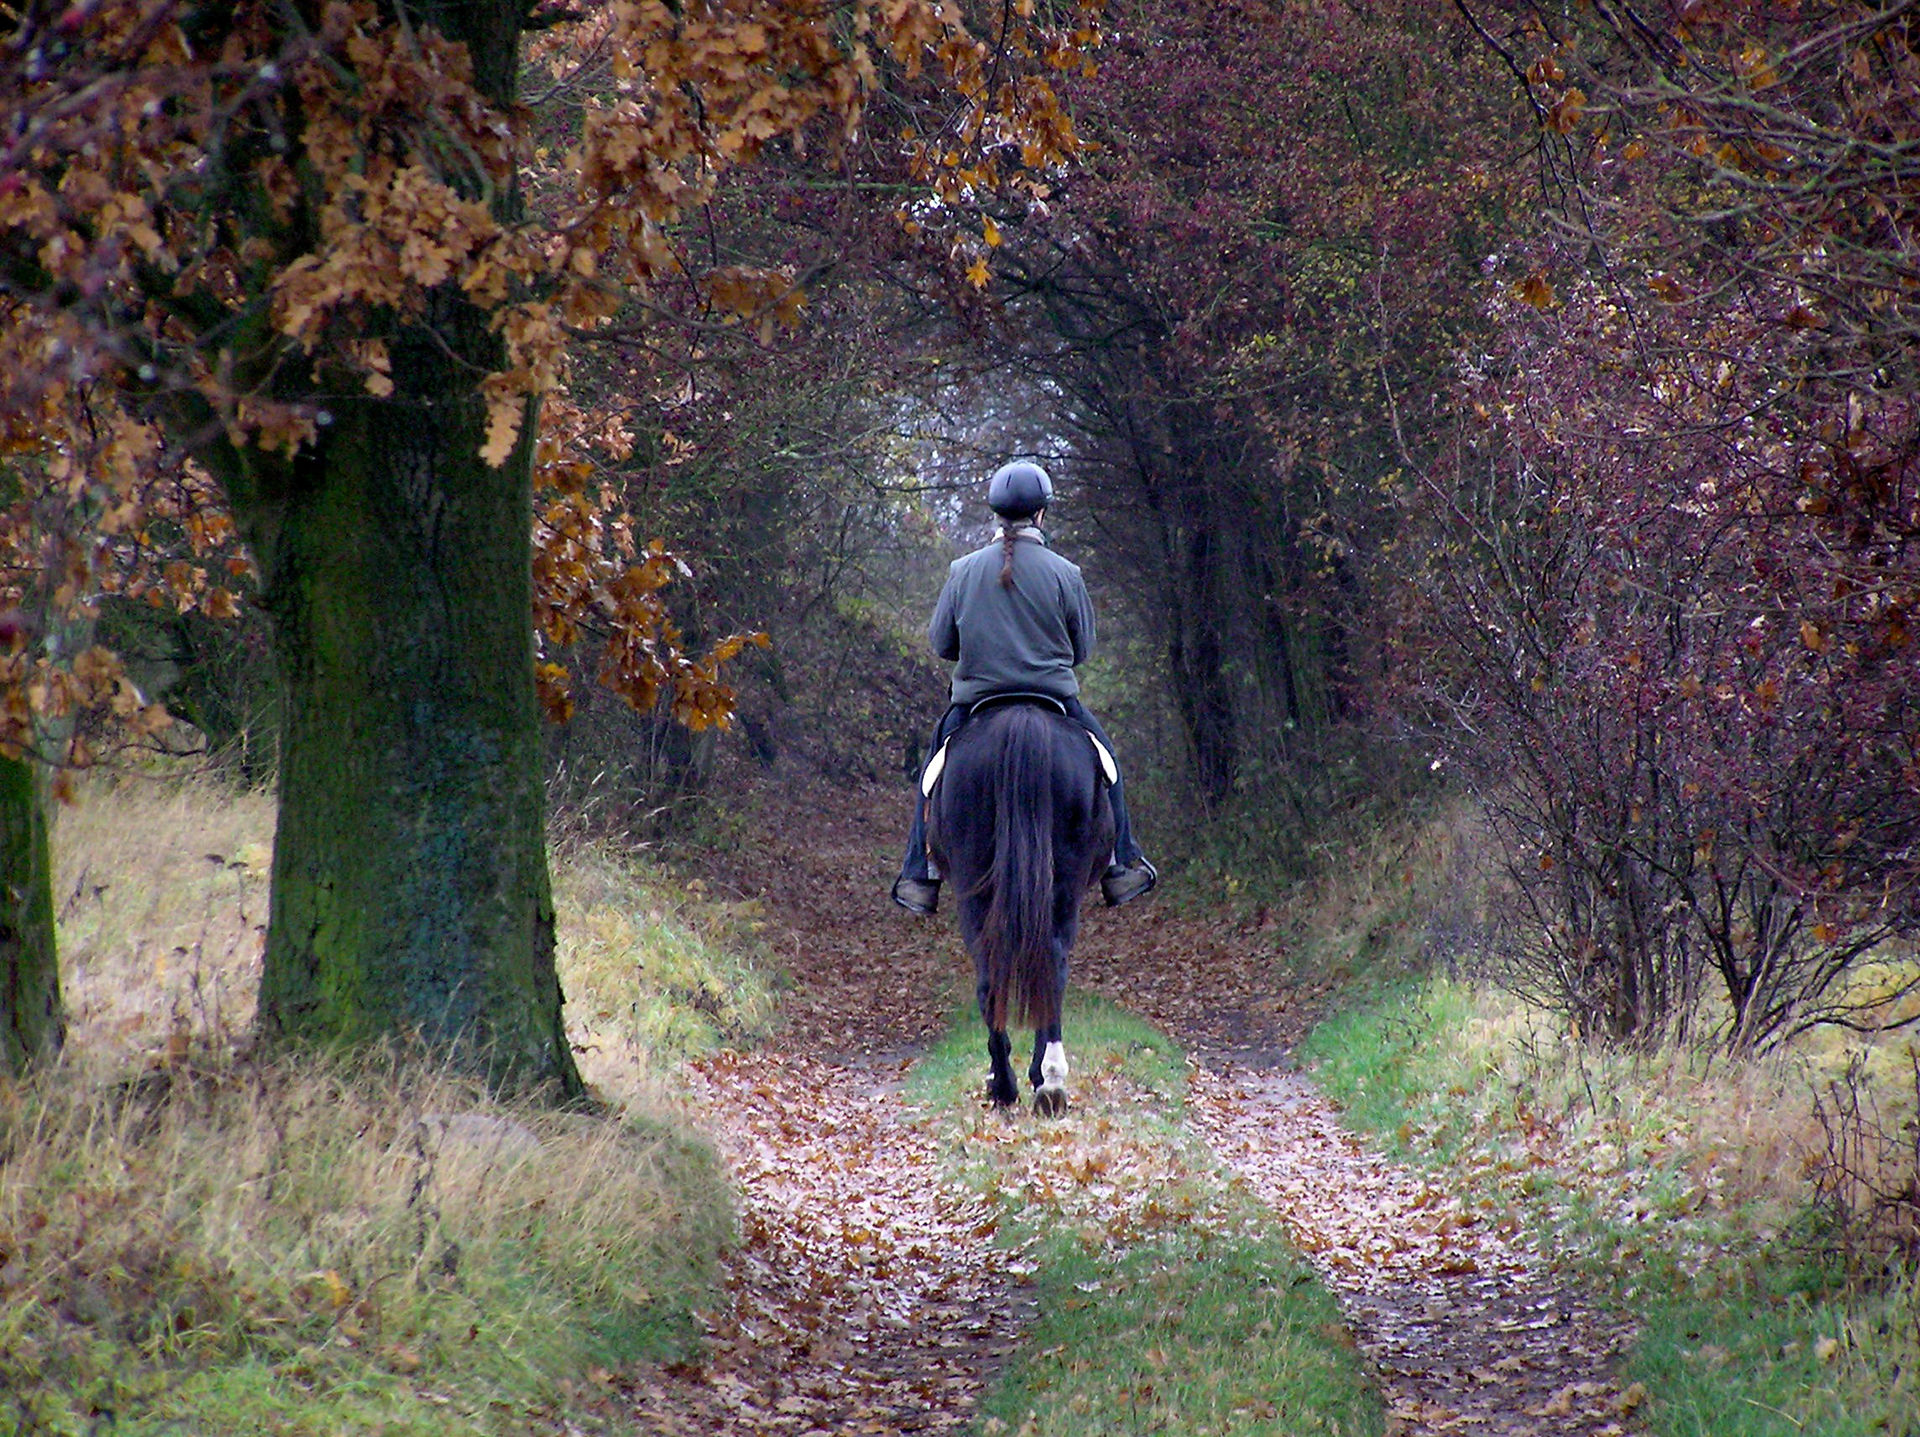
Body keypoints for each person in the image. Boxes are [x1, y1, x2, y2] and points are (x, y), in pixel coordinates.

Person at [891, 459, 1157, 915]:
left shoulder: (963, 570)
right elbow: (1082, 649)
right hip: (1054, 701)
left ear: (996, 515)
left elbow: (940, 644)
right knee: (1107, 764)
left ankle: (920, 873)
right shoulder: (1066, 573)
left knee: (931, 775)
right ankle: (1122, 862)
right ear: (1041, 514)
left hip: (975, 704)